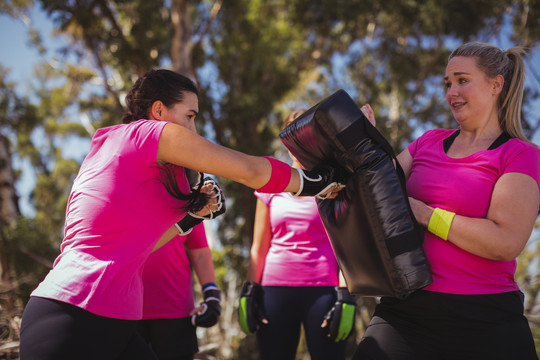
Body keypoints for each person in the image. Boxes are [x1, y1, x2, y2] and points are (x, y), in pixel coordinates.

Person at [19, 69, 343, 360]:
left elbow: (141, 245)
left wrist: (190, 219)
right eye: (189, 116)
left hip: (115, 322)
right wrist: (316, 182)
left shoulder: (124, 151)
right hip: (73, 316)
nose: (193, 127)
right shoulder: (146, 134)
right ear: (158, 110)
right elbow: (248, 169)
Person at [353, 41, 540, 360]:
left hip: (485, 320)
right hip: (404, 312)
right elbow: (375, 190)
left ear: (496, 84)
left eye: (462, 80)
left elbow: (505, 241)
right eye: (447, 83)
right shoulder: (427, 141)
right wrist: (360, 143)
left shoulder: (521, 155)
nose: (452, 91)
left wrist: (424, 214)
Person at [237, 110, 357, 360]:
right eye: (291, 135)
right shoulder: (271, 183)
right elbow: (259, 247)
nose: (296, 143)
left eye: (304, 135)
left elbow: (346, 245)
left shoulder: (335, 184)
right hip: (274, 290)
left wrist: (346, 293)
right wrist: (250, 289)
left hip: (324, 290)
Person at [138, 219, 220, 360]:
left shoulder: (187, 197)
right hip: (121, 310)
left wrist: (211, 294)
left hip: (176, 308)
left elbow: (200, 252)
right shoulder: (116, 197)